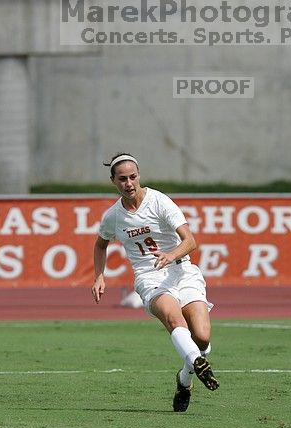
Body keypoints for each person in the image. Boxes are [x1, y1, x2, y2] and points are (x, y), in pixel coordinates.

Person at [91, 152, 219, 412]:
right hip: (149, 277)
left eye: (133, 177)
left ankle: (185, 379)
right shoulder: (113, 216)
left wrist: (171, 254)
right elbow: (100, 244)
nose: (129, 183)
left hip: (182, 271)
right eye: (123, 179)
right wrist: (99, 275)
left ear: (139, 176)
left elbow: (190, 241)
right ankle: (196, 361)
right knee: (174, 320)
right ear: (113, 181)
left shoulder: (159, 201)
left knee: (203, 338)